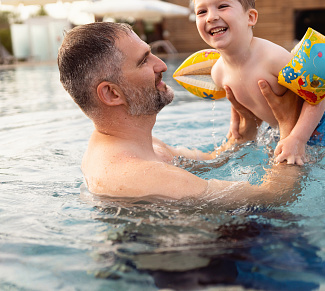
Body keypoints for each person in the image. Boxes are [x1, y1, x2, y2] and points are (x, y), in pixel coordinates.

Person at [57, 22, 302, 205]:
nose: (162, 65)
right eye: (143, 61)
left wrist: (243, 134)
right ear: (111, 93)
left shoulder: (136, 145)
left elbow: (211, 159)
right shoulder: (139, 175)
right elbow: (276, 196)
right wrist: (290, 127)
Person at [190, 0, 325, 165]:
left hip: (322, 124)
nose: (211, 17)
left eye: (222, 6)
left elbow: (319, 94)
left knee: (322, 167)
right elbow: (237, 98)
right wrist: (234, 123)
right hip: (278, 126)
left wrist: (298, 138)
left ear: (250, 17)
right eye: (202, 12)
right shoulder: (218, 72)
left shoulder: (272, 58)